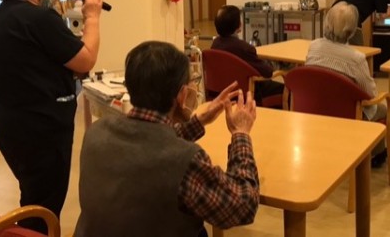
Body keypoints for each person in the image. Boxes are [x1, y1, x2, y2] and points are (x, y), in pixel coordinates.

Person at [74, 41, 259, 237]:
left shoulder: (96, 132)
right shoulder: (187, 161)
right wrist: (241, 133)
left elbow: (150, 145)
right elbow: (243, 206)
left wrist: (199, 121)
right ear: (182, 95)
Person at [0, 0, 103, 233]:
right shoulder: (38, 18)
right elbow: (85, 60)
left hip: (9, 120)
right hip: (38, 125)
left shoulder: (0, 18)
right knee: (44, 203)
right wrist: (93, 18)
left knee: (34, 194)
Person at [305, 2, 388, 167]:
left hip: (316, 109)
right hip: (348, 115)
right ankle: (376, 156)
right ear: (351, 30)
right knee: (383, 108)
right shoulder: (356, 58)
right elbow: (371, 95)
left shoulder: (313, 47)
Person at [211, 4, 284, 106]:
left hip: (220, 92)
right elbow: (268, 72)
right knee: (287, 90)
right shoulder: (244, 48)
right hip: (248, 92)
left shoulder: (214, 45)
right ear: (238, 25)